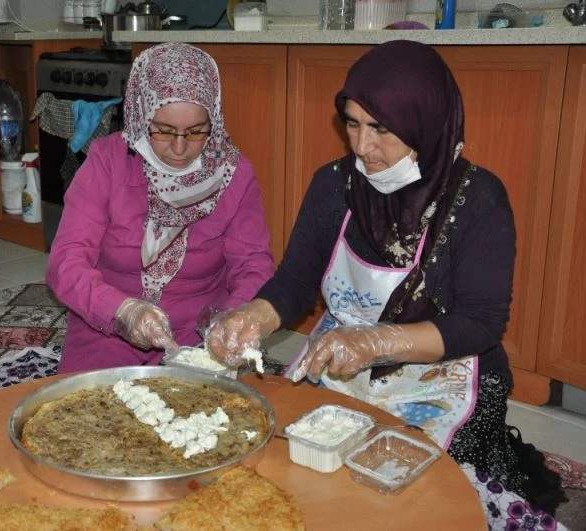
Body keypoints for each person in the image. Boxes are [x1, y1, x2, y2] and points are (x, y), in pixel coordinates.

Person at [206, 40, 566, 521]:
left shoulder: (477, 199)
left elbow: (480, 324)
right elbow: (295, 281)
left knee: (418, 502)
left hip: (443, 375)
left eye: (381, 128)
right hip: (341, 362)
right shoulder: (334, 184)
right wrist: (254, 315)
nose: (362, 146)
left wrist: (376, 341)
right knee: (298, 479)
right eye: (352, 123)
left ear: (426, 124)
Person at [47, 43, 273, 373]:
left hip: (199, 339)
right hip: (108, 329)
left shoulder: (234, 174)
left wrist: (234, 320)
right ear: (142, 116)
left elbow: (253, 265)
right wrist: (124, 312)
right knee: (90, 404)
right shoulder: (107, 162)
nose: (179, 148)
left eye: (196, 132)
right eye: (164, 131)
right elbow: (66, 263)